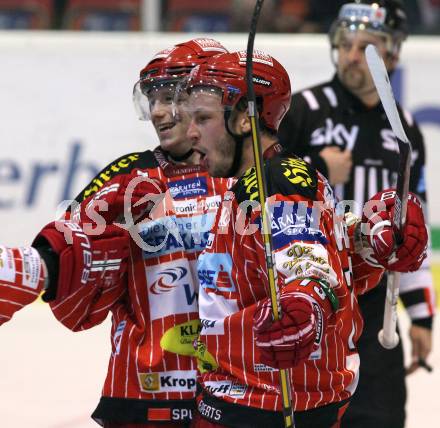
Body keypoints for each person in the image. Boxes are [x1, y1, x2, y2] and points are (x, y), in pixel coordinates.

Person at [179, 49, 428, 428]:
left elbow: (307, 266)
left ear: (245, 121)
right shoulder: (259, 181)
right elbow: (332, 261)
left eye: (203, 118)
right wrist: (366, 239)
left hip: (262, 405)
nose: (191, 132)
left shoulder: (275, 180)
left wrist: (305, 304)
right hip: (251, 399)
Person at [0, 38, 230, 428]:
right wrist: (47, 263)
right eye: (151, 99)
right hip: (146, 393)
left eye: (170, 97)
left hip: (243, 393)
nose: (158, 112)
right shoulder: (126, 178)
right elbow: (73, 290)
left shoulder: (259, 175)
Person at [277, 1, 435, 426]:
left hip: (374, 310)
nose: (351, 54)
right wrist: (319, 170)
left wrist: (421, 314)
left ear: (394, 53)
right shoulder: (301, 111)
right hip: (311, 298)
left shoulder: (404, 128)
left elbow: (411, 228)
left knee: (380, 417)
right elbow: (258, 189)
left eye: (366, 46)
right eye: (346, 44)